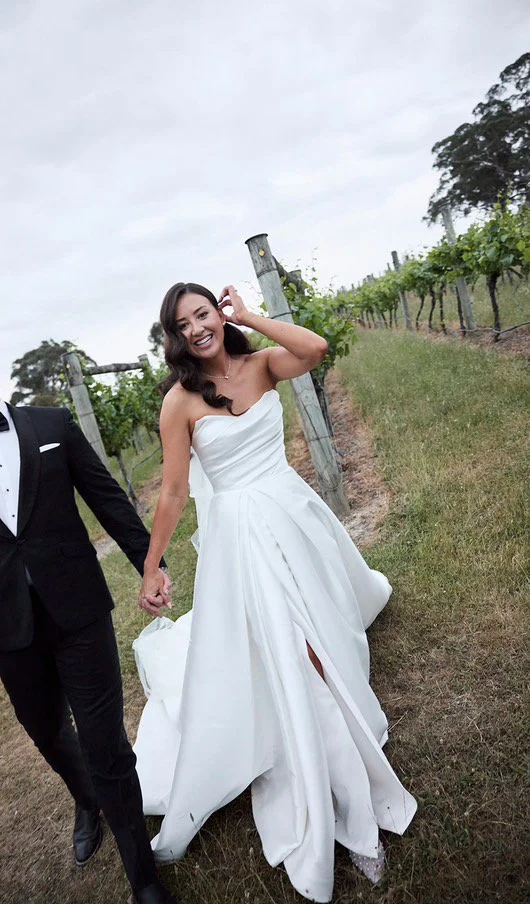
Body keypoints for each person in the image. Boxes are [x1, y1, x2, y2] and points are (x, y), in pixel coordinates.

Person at [132, 283, 417, 903]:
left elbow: (314, 348)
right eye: (183, 325)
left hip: (292, 513)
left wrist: (249, 317)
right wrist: (152, 565)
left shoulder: (262, 363)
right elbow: (174, 492)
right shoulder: (179, 402)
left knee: (322, 624)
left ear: (219, 314)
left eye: (204, 314)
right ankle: (339, 784)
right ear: (174, 338)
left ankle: (334, 705)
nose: (197, 329)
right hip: (242, 537)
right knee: (294, 648)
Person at [0, 334, 177, 904]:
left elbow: (108, 498)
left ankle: (143, 878)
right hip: (8, 626)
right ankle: (87, 800)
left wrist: (151, 565)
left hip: (80, 610)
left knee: (106, 743)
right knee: (46, 732)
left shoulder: (53, 423)